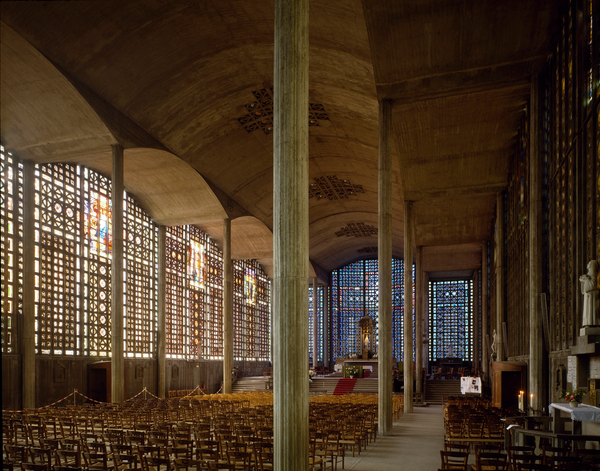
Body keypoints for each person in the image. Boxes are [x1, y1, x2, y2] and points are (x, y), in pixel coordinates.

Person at [580, 260, 599, 327]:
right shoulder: (589, 274)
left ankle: (593, 324)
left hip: (592, 296)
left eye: (589, 264)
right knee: (588, 312)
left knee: (592, 312)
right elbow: (584, 289)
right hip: (588, 296)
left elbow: (593, 285)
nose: (587, 265)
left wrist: (585, 279)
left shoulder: (593, 273)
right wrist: (583, 280)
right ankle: (587, 323)